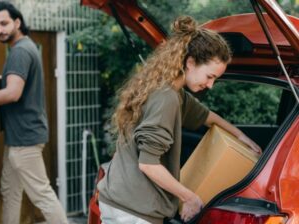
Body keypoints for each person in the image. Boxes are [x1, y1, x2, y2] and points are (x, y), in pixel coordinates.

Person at [97, 16, 262, 224]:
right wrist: (190, 198)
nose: (210, 85)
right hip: (133, 213)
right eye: (210, 76)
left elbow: (209, 117)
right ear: (190, 62)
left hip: (118, 200)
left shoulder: (170, 91)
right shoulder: (166, 98)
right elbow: (148, 165)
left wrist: (241, 136)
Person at [0, 2, 68, 224]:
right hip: (18, 139)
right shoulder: (27, 47)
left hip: (24, 140)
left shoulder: (20, 51)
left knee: (42, 196)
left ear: (17, 22)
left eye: (4, 23)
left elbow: (13, 93)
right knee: (10, 191)